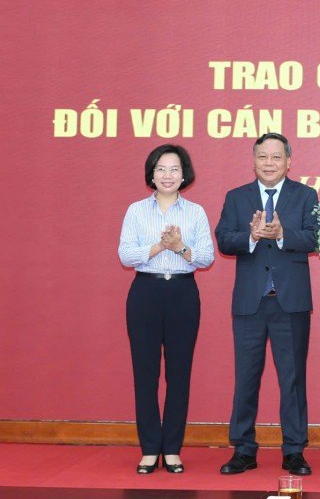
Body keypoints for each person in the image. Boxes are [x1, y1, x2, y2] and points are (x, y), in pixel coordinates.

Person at [214, 133, 319, 476]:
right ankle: (243, 450)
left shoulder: (305, 195)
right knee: (246, 378)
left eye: (276, 157)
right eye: (263, 157)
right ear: (254, 160)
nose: (269, 163)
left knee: (292, 379)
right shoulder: (237, 197)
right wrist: (252, 237)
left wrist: (281, 234)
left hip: (290, 303)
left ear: (289, 161)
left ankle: (294, 451)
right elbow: (224, 240)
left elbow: (314, 237)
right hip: (250, 303)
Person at [118, 144, 215, 475]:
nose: (168, 175)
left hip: (182, 293)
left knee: (179, 374)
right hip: (145, 292)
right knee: (145, 374)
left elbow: (206, 257)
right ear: (151, 173)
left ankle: (172, 449)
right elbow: (126, 255)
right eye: (161, 168)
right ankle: (149, 449)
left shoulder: (196, 212)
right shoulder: (135, 211)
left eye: (174, 169)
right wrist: (160, 246)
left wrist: (181, 248)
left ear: (184, 174)